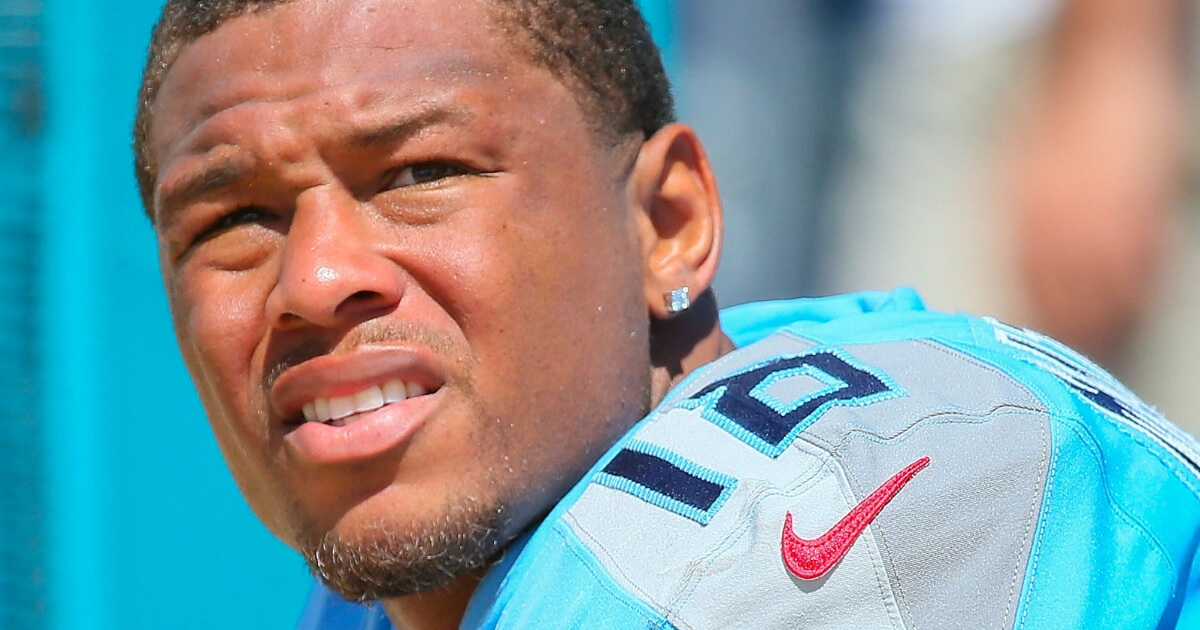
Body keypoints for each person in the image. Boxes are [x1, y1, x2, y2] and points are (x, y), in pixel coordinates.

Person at [132, 0, 1200, 628]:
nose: (316, 279)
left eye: (420, 172)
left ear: (669, 223)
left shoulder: (812, 513)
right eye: (232, 221)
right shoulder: (407, 568)